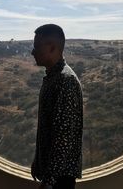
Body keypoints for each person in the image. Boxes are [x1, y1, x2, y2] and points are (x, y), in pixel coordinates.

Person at [30, 24, 83, 189]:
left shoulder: (65, 81)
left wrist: (48, 182)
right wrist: (38, 162)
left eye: (37, 47)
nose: (33, 52)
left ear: (52, 48)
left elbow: (63, 139)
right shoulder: (54, 77)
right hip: (54, 176)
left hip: (60, 180)